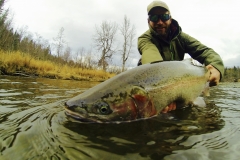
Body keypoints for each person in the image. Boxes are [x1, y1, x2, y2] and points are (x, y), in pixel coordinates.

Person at [137, 0, 224, 113]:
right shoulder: (144, 39)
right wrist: (161, 96)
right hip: (151, 83)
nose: (159, 22)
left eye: (164, 16)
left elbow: (206, 52)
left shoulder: (182, 38)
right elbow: (153, 63)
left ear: (170, 18)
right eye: (154, 18)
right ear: (148, 21)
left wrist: (216, 67)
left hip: (180, 82)